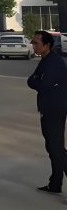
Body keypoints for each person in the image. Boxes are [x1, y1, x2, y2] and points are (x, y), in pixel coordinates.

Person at [27, 30, 67, 194]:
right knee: (52, 147)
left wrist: (37, 81)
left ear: (47, 45)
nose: (33, 45)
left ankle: (56, 182)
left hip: (55, 109)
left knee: (56, 148)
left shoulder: (54, 63)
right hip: (47, 108)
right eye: (33, 42)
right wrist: (37, 81)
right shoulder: (45, 60)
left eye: (36, 43)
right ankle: (55, 184)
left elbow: (42, 84)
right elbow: (31, 80)